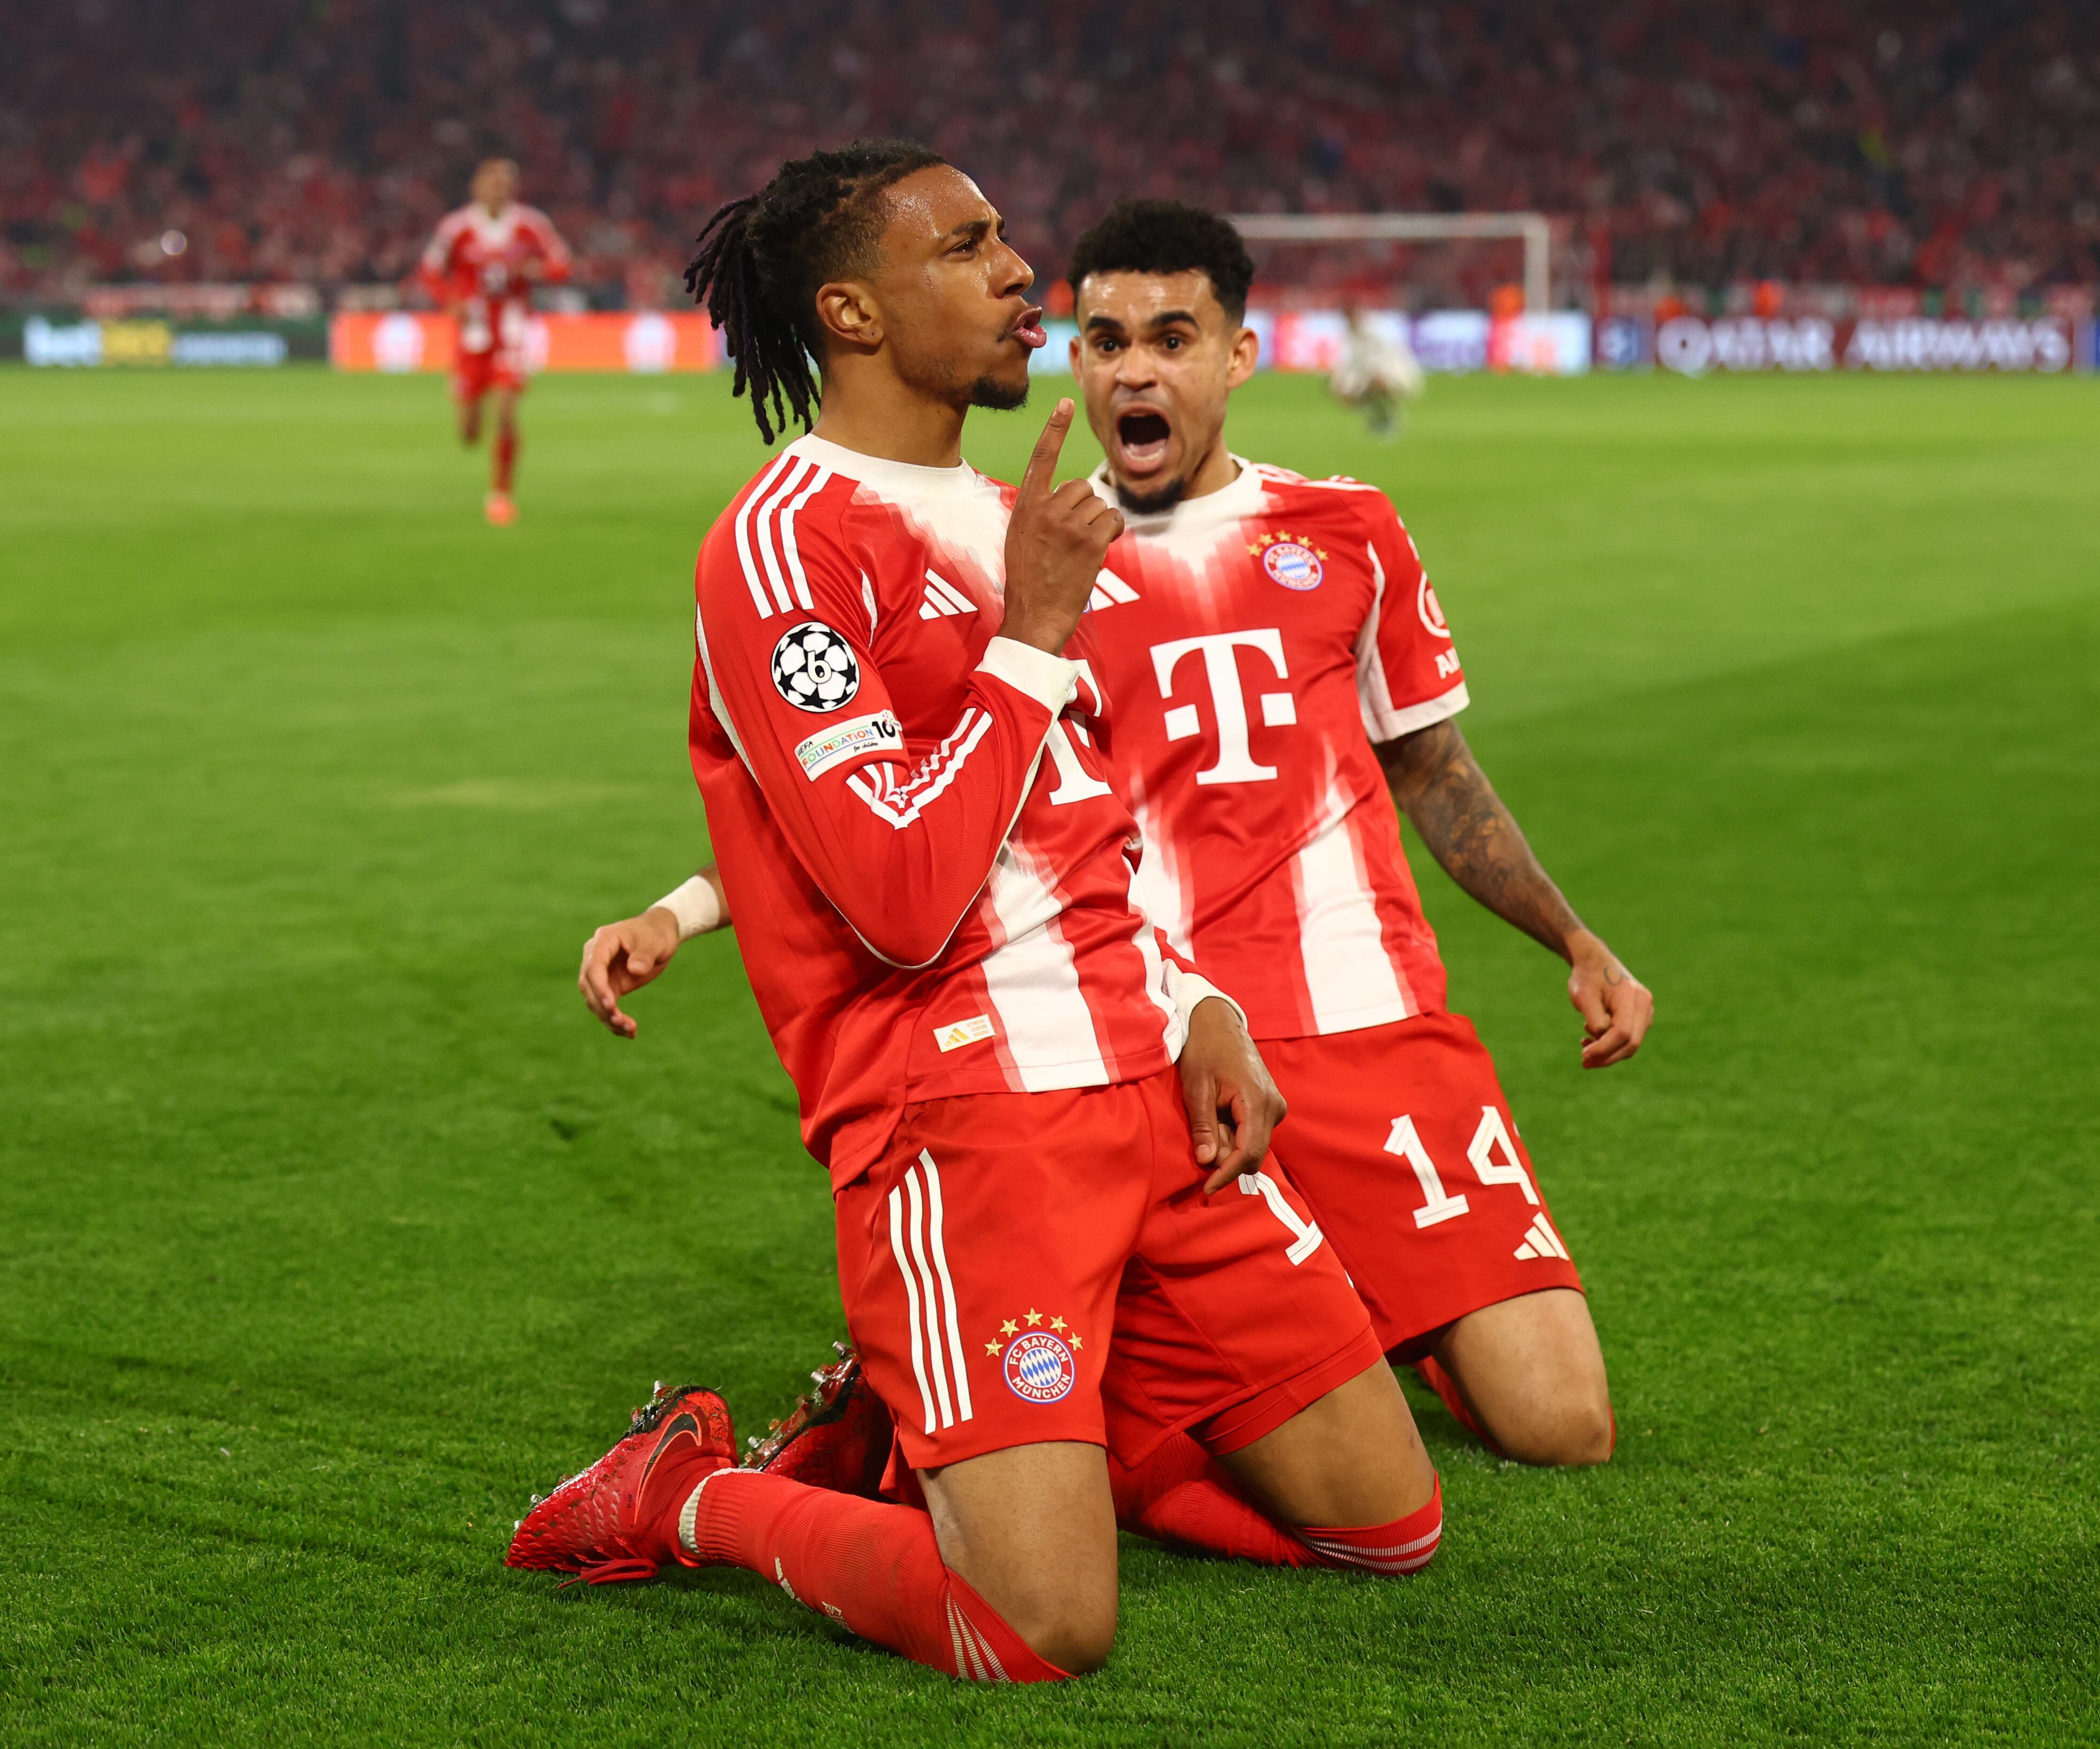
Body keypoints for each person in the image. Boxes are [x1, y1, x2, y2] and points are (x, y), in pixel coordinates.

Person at [507, 141, 1444, 1683]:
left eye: (1008, 240)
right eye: (968, 248)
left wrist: (1203, 1007)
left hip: (1151, 1086)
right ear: (853, 313)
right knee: (1035, 1627)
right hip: (966, 1115)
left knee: (1383, 1526)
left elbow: (1091, 826)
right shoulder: (788, 542)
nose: (1022, 273)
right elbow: (892, 894)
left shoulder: (1024, 519)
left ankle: (973, 1425)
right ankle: (695, 1498)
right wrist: (1028, 638)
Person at [584, 200, 1653, 1491]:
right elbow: (916, 804)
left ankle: (1283, 1336)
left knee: (1552, 1425)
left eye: (1170, 337)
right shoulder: (1027, 551)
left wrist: (1574, 933)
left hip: (1348, 1026)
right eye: (1103, 339)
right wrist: (685, 908)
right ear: (1075, 363)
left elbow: (1430, 766)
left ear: (1234, 356)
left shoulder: (1343, 527)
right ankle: (930, 1402)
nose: (1134, 367)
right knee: (1095, 1460)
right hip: (1147, 1043)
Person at [416, 157, 569, 526]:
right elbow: (431, 271)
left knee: (505, 413)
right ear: (476, 187)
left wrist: (534, 270)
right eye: (491, 182)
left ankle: (501, 495)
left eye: (505, 183)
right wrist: (451, 302)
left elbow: (561, 265)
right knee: (469, 433)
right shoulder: (456, 228)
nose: (498, 189)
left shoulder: (531, 225)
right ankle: (475, 426)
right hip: (473, 336)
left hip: (512, 332)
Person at [1327, 302, 1423, 437]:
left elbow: (1388, 358)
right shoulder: (1351, 335)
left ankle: (1390, 415)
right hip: (1369, 375)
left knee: (1377, 385)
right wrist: (1340, 383)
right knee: (1346, 393)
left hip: (1394, 373)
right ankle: (1377, 414)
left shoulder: (1377, 331)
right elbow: (1351, 362)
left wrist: (1375, 377)